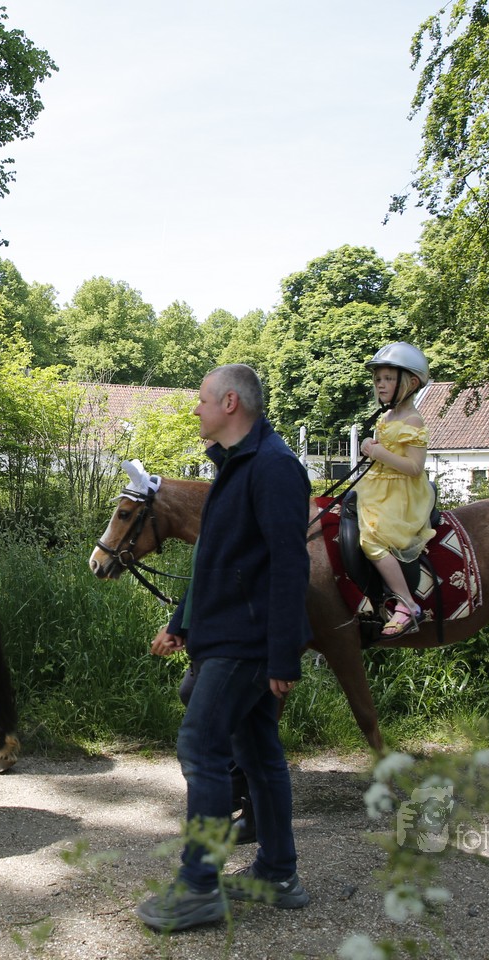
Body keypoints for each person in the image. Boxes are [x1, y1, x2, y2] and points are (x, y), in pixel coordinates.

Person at [135, 364, 312, 934]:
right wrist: (181, 623)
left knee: (201, 747)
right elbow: (213, 560)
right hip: (225, 635)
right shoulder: (234, 465)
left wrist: (284, 656)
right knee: (258, 754)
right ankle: (278, 873)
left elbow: (290, 566)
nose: (196, 409)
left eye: (203, 400)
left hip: (248, 643)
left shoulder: (275, 467)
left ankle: (199, 887)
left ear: (230, 403)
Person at [358, 342, 434, 637]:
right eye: (378, 379)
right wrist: (370, 446)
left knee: (372, 538)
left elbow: (414, 467)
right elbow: (384, 452)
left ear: (411, 383)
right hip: (378, 485)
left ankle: (407, 603)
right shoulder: (387, 417)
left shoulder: (413, 420)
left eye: (388, 378)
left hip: (401, 493)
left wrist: (379, 453)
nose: (380, 384)